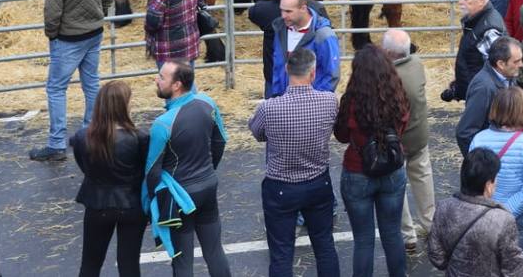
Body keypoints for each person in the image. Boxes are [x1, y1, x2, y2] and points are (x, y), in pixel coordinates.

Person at [248, 47, 340, 277]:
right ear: (313, 72)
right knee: (324, 245)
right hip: (318, 182)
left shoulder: (269, 108)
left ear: (287, 69)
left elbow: (258, 134)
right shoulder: (329, 101)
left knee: (281, 252)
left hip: (281, 186)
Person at [32, 0, 113, 162]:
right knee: (91, 83)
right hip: (94, 33)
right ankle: (89, 133)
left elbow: (53, 10)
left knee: (57, 88)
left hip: (68, 38)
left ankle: (57, 143)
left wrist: (52, 34)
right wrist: (97, 18)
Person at [143, 61, 231, 276]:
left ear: (176, 85)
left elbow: (152, 172)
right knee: (214, 251)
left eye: (162, 77)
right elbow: (220, 141)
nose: (156, 79)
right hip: (208, 186)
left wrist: (150, 206)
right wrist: (209, 169)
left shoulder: (163, 124)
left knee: (182, 261)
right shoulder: (208, 103)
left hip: (179, 197)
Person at [335, 45, 410, 277]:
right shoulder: (398, 96)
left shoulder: (351, 101)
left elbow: (341, 136)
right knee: (392, 234)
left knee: (364, 240)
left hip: (358, 171)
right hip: (392, 170)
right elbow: (403, 126)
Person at [70, 80, 148, 277]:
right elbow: (144, 171)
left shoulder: (83, 137)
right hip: (132, 204)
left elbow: (84, 167)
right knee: (129, 264)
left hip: (97, 204)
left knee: (90, 264)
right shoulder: (140, 137)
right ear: (124, 105)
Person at [469, 87, 523, 276]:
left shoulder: (479, 139)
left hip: (486, 211)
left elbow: (472, 180)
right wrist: (508, 211)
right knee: (519, 258)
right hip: (521, 213)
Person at [428, 148, 523, 277]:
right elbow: (515, 270)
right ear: (488, 185)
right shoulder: (503, 220)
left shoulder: (443, 207)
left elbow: (437, 257)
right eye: (495, 178)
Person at [384, 29, 435, 252]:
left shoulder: (385, 76)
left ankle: (407, 235)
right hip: (420, 135)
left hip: (397, 141)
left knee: (397, 186)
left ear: (387, 52)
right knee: (423, 178)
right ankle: (431, 225)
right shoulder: (417, 64)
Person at [268, 0, 340, 98]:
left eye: (288, 11)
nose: (283, 16)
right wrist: (277, 96)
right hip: (284, 100)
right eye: (281, 10)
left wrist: (314, 101)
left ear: (303, 8)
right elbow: (278, 66)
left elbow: (331, 75)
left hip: (311, 105)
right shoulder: (281, 29)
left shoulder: (323, 35)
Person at [457, 35, 522, 155]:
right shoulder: (484, 88)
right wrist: (481, 165)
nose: (521, 65)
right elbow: (465, 132)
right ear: (501, 64)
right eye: (516, 61)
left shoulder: (508, 76)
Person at [444, 0, 507, 103]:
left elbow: (498, 70)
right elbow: (471, 60)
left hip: (483, 98)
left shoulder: (489, 30)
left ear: (482, 0)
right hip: (475, 92)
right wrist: (459, 88)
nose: (460, 2)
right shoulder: (474, 20)